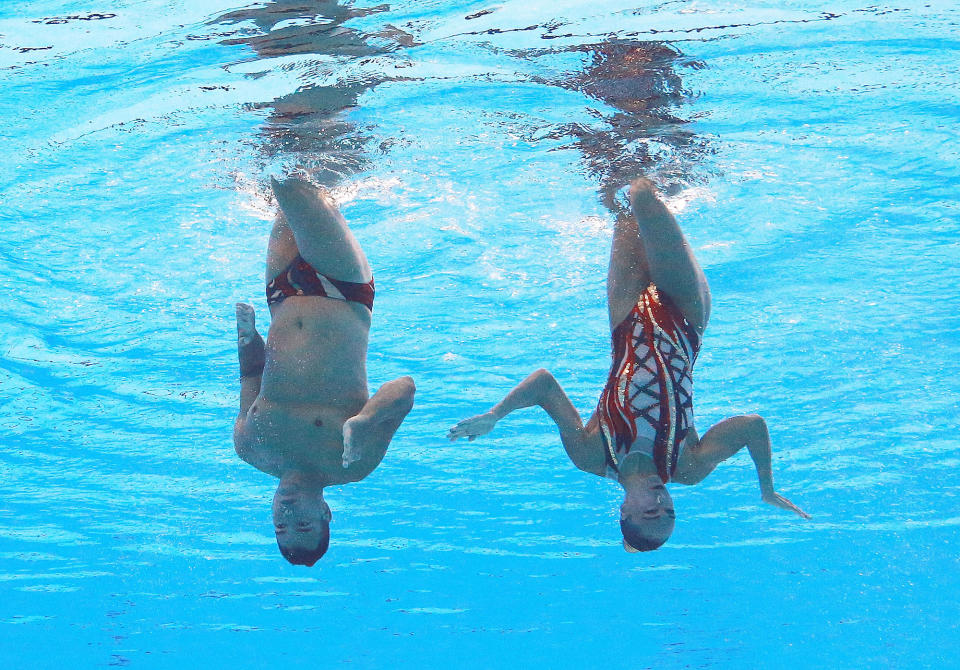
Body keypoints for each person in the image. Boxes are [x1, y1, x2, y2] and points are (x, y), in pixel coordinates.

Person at [448, 178, 808, 552]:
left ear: (624, 512)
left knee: (617, 199)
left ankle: (613, 134)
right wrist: (766, 487)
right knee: (642, 194)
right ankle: (669, 148)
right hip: (685, 316)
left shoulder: (592, 456)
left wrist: (496, 414)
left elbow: (544, 385)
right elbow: (752, 426)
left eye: (651, 514)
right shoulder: (688, 467)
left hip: (624, 318)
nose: (662, 503)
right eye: (669, 513)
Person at [234, 176, 415, 566]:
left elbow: (253, 377)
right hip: (342, 289)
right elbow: (405, 389)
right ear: (325, 514)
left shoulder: (249, 449)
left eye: (280, 528)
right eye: (303, 526)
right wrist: (366, 420)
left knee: (290, 176)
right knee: (291, 181)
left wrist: (247, 336)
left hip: (281, 293)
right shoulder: (352, 462)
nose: (287, 516)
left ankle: (320, 127)